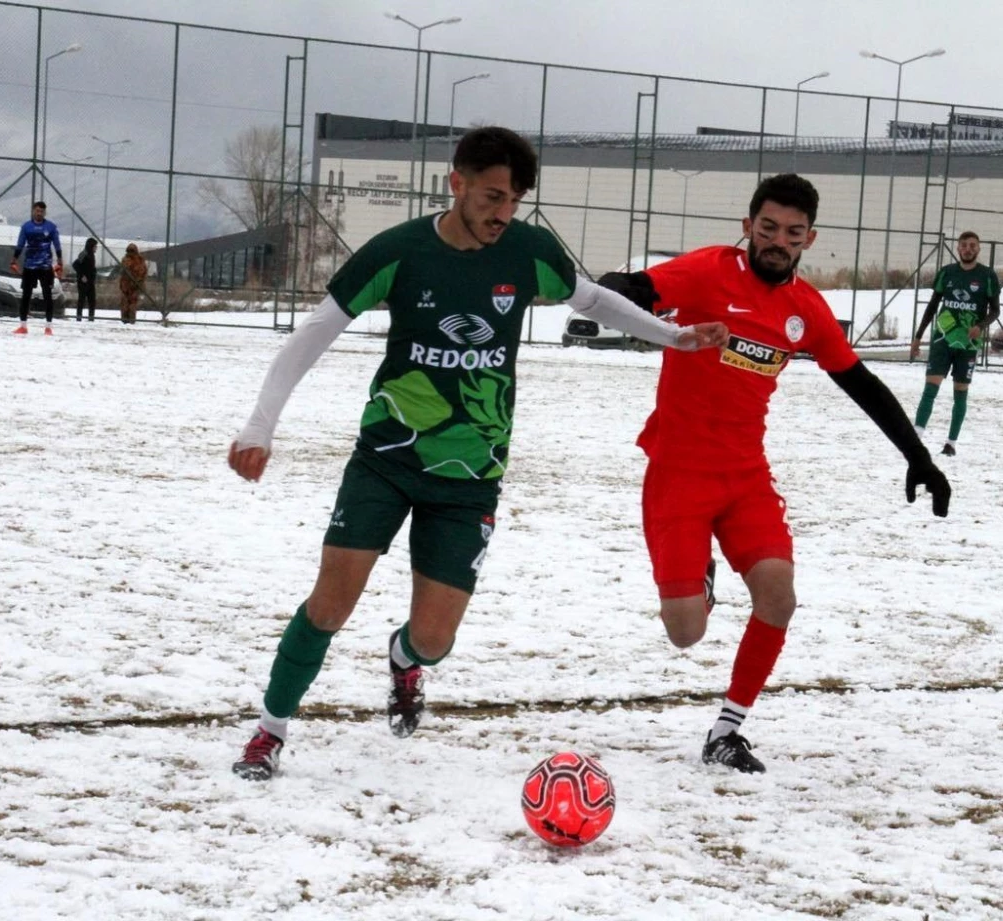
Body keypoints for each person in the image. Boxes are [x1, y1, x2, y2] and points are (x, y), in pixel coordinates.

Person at [227, 126, 729, 781]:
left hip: (472, 476)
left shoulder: (526, 252)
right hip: (387, 458)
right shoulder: (399, 252)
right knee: (330, 603)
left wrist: (672, 336)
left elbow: (591, 297)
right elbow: (314, 334)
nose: (503, 213)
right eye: (492, 196)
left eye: (514, 200)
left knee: (434, 639)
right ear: (455, 183)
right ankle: (269, 731)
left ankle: (405, 663)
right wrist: (259, 427)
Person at [598, 173, 951, 774]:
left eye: (791, 233)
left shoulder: (806, 309)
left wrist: (918, 456)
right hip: (679, 474)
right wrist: (629, 296)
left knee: (778, 598)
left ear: (809, 239)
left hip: (745, 479)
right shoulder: (707, 271)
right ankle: (700, 582)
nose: (777, 241)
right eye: (767, 228)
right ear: (748, 226)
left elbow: (860, 384)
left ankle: (726, 731)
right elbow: (627, 290)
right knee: (685, 633)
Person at [909, 231, 1000, 457]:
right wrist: (918, 336)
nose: (968, 249)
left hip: (968, 344)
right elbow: (932, 305)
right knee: (930, 388)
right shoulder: (947, 273)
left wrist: (980, 325)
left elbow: (995, 310)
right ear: (958, 248)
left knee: (960, 391)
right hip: (942, 339)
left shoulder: (987, 276)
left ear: (978, 249)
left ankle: (951, 443)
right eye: (964, 245)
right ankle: (915, 438)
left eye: (972, 245)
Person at [10, 201, 63, 335]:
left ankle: (48, 327)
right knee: (26, 295)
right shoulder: (26, 227)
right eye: (37, 211)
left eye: (41, 211)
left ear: (45, 212)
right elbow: (20, 244)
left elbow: (57, 244)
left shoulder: (51, 227)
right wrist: (14, 258)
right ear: (33, 211)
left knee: (47, 296)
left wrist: (60, 259)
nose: (39, 213)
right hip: (30, 265)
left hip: (45, 267)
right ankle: (23, 326)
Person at [118, 243, 147, 325]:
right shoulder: (126, 259)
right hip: (126, 286)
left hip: (134, 286)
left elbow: (143, 272)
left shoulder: (139, 260)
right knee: (125, 304)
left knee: (132, 305)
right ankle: (125, 320)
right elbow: (123, 272)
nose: (130, 253)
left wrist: (138, 281)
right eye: (129, 251)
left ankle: (130, 321)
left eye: (132, 251)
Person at [73, 237, 98, 322]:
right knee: (82, 300)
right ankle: (79, 318)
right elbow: (75, 265)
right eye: (95, 246)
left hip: (91, 282)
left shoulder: (92, 255)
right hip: (83, 282)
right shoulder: (84, 254)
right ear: (91, 246)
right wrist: (82, 276)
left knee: (92, 300)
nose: (96, 248)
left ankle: (91, 318)